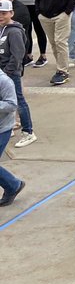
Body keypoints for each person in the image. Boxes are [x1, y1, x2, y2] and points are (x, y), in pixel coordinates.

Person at [0, 0, 34, 148]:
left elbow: (17, 55)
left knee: (18, 101)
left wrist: (6, 73)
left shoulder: (14, 31)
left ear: (11, 13)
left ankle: (28, 132)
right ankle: (8, 125)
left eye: (4, 13)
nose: (1, 16)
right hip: (2, 73)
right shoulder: (2, 29)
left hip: (10, 74)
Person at [0, 66, 24, 206]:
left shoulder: (4, 81)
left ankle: (13, 185)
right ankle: (13, 185)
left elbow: (12, 104)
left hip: (2, 129)